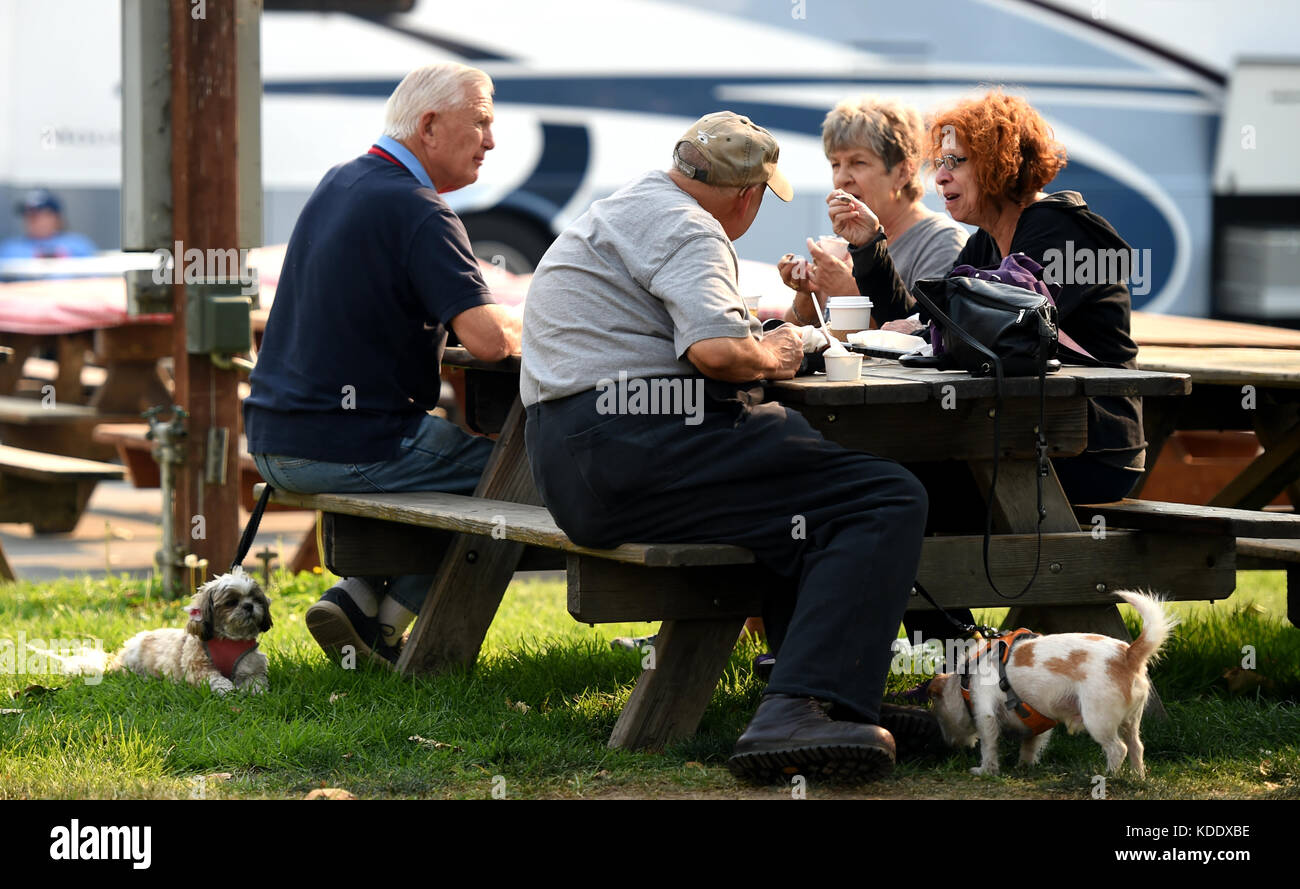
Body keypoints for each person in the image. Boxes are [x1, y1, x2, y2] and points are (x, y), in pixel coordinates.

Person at [520, 111, 936, 781]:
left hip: (578, 462)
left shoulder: (628, 207)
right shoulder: (691, 228)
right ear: (746, 195)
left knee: (799, 490)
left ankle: (827, 698)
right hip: (634, 443)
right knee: (885, 496)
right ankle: (796, 708)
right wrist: (779, 350)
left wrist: (780, 330)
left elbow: (704, 332)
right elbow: (717, 350)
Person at [245, 63, 521, 665]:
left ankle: (360, 595)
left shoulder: (342, 180)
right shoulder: (419, 209)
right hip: (348, 443)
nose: (492, 141)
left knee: (464, 473)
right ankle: (385, 628)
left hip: (273, 438)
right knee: (517, 484)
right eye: (481, 123)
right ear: (429, 126)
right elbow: (490, 342)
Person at [832, 89, 1145, 503]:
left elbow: (998, 329)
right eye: (938, 163)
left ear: (1001, 162)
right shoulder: (985, 242)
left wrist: (924, 324)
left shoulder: (1060, 230)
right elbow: (927, 324)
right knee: (874, 478)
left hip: (1090, 448)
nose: (940, 177)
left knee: (885, 488)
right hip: (1023, 436)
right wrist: (871, 246)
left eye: (956, 162)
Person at [776, 96, 967, 328]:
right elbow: (796, 339)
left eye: (858, 163)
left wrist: (847, 291)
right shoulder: (846, 242)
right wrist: (809, 294)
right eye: (835, 164)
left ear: (903, 173)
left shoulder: (941, 242)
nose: (842, 178)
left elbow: (925, 338)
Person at [0, 189, 97, 259]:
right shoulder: (10, 249)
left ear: (56, 218)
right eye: (28, 215)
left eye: (38, 214)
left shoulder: (78, 245)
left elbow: (95, 280)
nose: (32, 220)